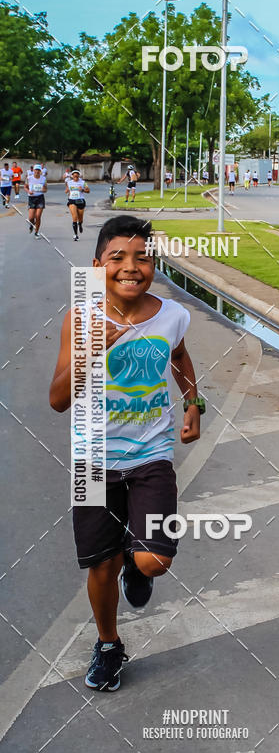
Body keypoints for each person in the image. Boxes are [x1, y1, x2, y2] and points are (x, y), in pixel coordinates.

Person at [49, 215, 203, 691]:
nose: (130, 267)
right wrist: (90, 352)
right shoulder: (81, 319)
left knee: (153, 559)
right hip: (91, 461)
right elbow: (57, 399)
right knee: (101, 563)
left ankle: (139, 566)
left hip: (151, 455)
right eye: (117, 257)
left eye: (142, 257)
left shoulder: (172, 315)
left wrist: (194, 402)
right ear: (98, 266)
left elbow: (178, 356)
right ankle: (109, 644)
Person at [65, 169, 90, 240]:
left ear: (79, 175)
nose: (75, 176)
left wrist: (82, 190)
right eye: (74, 175)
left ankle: (80, 224)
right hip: (72, 200)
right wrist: (67, 191)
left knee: (80, 218)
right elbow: (67, 190)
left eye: (77, 175)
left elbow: (88, 190)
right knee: (75, 217)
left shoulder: (83, 182)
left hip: (80, 201)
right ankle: (75, 235)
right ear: (72, 176)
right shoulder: (69, 182)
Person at [26, 164, 47, 236]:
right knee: (31, 218)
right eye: (36, 170)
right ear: (33, 170)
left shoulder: (43, 178)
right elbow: (25, 187)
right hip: (31, 198)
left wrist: (44, 190)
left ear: (40, 171)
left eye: (38, 170)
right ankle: (32, 224)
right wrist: (28, 191)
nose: (37, 171)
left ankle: (36, 232)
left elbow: (45, 189)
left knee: (38, 216)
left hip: (40, 198)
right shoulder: (29, 178)